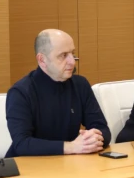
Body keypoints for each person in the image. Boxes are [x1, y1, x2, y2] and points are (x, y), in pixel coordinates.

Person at [6, 29, 111, 157]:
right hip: (28, 165)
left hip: (69, 161)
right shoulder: (21, 92)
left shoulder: (80, 85)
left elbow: (102, 129)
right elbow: (22, 144)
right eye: (63, 55)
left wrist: (94, 138)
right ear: (42, 60)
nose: (72, 61)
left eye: (73, 53)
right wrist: (71, 147)